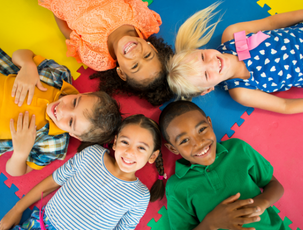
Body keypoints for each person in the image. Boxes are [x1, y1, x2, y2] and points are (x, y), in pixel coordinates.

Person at [0, 114, 166, 230]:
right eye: (125, 142)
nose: (130, 152)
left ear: (152, 156)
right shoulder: (92, 154)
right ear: (115, 142)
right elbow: (54, 180)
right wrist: (17, 209)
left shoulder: (140, 196)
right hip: (41, 225)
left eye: (141, 148)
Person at [167, 4, 303, 114]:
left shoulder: (232, 35)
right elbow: (285, 106)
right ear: (208, 89)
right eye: (207, 74)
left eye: (202, 57)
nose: (212, 63)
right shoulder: (242, 91)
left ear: (199, 49)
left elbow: (272, 22)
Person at [159, 101, 284, 230]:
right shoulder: (176, 187)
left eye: (201, 129)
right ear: (173, 149)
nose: (199, 143)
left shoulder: (238, 149)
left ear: (209, 123)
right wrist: (211, 223)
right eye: (185, 140)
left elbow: (275, 185)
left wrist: (262, 202)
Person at [0, 49, 122, 177]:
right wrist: (27, 65)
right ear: (84, 94)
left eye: (70, 121)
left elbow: (14, 171)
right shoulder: (58, 76)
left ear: (75, 135)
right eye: (74, 102)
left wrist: (21, 153)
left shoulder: (53, 145)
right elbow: (19, 54)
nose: (63, 109)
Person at [38, 0, 174, 106]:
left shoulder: (96, 57)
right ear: (153, 48)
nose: (136, 54)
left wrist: (53, 4)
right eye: (147, 56)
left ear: (121, 73)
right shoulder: (143, 20)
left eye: (135, 66)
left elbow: (67, 31)